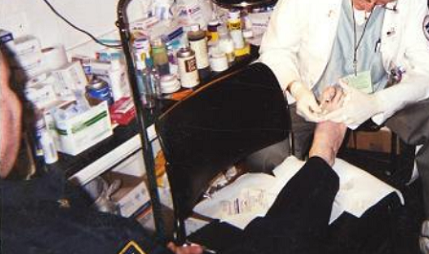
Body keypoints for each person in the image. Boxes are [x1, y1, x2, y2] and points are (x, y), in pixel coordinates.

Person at [1, 48, 348, 254]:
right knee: (283, 238)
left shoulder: (36, 205)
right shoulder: (32, 234)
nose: (13, 102)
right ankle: (322, 154)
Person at [257, 0, 429, 254]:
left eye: (383, 3)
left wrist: (375, 102)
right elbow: (274, 52)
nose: (370, 7)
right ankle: (286, 232)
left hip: (380, 92)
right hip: (313, 96)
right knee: (264, 154)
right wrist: (298, 91)